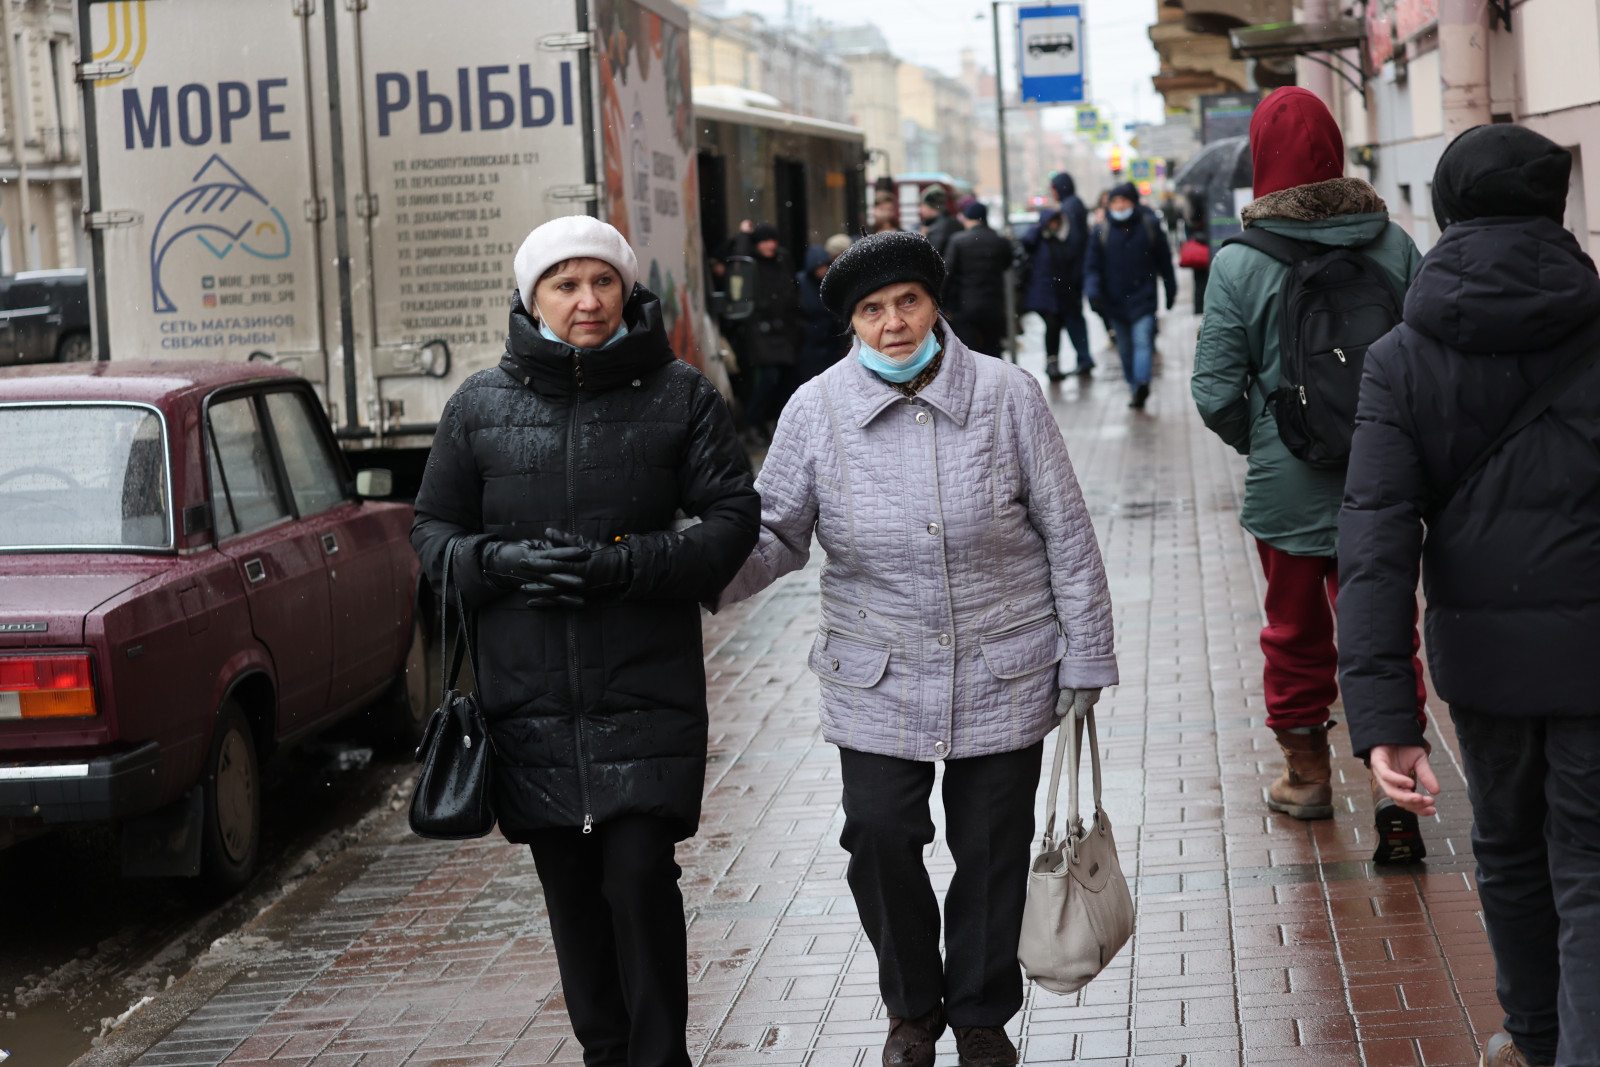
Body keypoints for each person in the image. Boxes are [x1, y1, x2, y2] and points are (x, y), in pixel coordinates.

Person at [719, 230, 1118, 1067]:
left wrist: (1085, 655)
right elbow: (776, 533)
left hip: (1002, 664)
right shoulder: (816, 409)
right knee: (877, 832)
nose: (894, 322)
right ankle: (912, 1008)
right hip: (878, 672)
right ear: (851, 324)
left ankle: (979, 1013)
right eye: (872, 310)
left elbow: (1068, 534)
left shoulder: (1009, 396)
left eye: (908, 301)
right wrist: (688, 571)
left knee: (990, 847)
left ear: (934, 303)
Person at [410, 215, 760, 1066]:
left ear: (626, 290)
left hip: (645, 690)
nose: (586, 300)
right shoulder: (479, 405)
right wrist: (501, 560)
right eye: (564, 284)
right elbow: (432, 535)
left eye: (601, 281)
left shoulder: (679, 395)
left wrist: (624, 566)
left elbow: (732, 521)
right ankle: (608, 1050)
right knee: (570, 888)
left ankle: (660, 1055)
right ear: (531, 299)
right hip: (527, 702)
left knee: (640, 876)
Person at [1338, 125, 1600, 1067]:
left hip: (1482, 668)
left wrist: (1384, 718)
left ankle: (1533, 1038)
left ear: (1445, 211)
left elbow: (1372, 543)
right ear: (1554, 207)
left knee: (1509, 850)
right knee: (1592, 868)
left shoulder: (1400, 358)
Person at [1190, 86, 1429, 861]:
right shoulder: (1392, 244)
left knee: (1294, 630)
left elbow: (1216, 390)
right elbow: (1424, 359)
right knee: (1387, 624)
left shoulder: (1239, 260)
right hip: (1385, 476)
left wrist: (1266, 440)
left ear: (1261, 161)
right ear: (1335, 150)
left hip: (1289, 480)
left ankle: (1307, 777)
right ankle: (1397, 791)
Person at [1084, 182, 1176, 409]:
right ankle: (1135, 387)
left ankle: (1142, 381)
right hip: (1114, 302)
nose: (1119, 205)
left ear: (1133, 203)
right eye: (1115, 202)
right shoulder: (1101, 232)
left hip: (1143, 299)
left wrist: (1171, 288)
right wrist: (1093, 293)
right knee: (1124, 349)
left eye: (1124, 201)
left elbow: (1165, 262)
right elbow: (1092, 268)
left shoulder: (1149, 226)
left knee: (1143, 341)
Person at [742, 222, 801, 436]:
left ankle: (775, 422)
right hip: (762, 328)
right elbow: (736, 265)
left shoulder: (782, 259)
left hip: (784, 327)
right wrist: (743, 235)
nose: (770, 245)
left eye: (772, 240)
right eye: (764, 241)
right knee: (770, 377)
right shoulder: (750, 262)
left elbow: (790, 288)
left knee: (785, 379)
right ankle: (754, 421)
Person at [1019, 209, 1090, 382]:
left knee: (1057, 326)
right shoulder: (1038, 239)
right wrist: (1040, 227)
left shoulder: (1062, 240)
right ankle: (1052, 364)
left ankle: (1054, 364)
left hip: (1061, 293)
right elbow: (1026, 240)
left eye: (1056, 222)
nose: (1054, 225)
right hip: (1043, 293)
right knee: (1052, 325)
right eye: (1051, 222)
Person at [942, 201, 1013, 356]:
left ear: (968, 219)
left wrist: (942, 301)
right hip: (994, 306)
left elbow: (947, 273)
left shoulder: (958, 240)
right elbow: (1007, 264)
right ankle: (995, 380)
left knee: (970, 353)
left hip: (966, 305)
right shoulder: (1000, 240)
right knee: (993, 351)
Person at [795, 235, 851, 384]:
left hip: (829, 343)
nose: (823, 270)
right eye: (819, 267)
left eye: (825, 266)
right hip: (811, 344)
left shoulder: (831, 283)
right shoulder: (802, 283)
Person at [919, 185, 963, 258]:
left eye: (922, 205)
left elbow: (930, 256)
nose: (920, 210)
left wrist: (923, 240)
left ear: (931, 206)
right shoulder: (954, 221)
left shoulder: (936, 229)